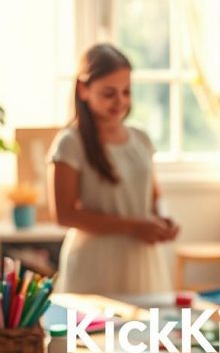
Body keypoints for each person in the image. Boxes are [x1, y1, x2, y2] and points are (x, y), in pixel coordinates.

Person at [48, 43, 179, 295]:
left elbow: (153, 197)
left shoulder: (141, 139)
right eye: (109, 93)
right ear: (83, 90)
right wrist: (134, 226)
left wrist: (161, 220)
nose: (120, 101)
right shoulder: (70, 144)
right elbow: (64, 215)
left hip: (142, 261)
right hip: (95, 265)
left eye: (126, 91)